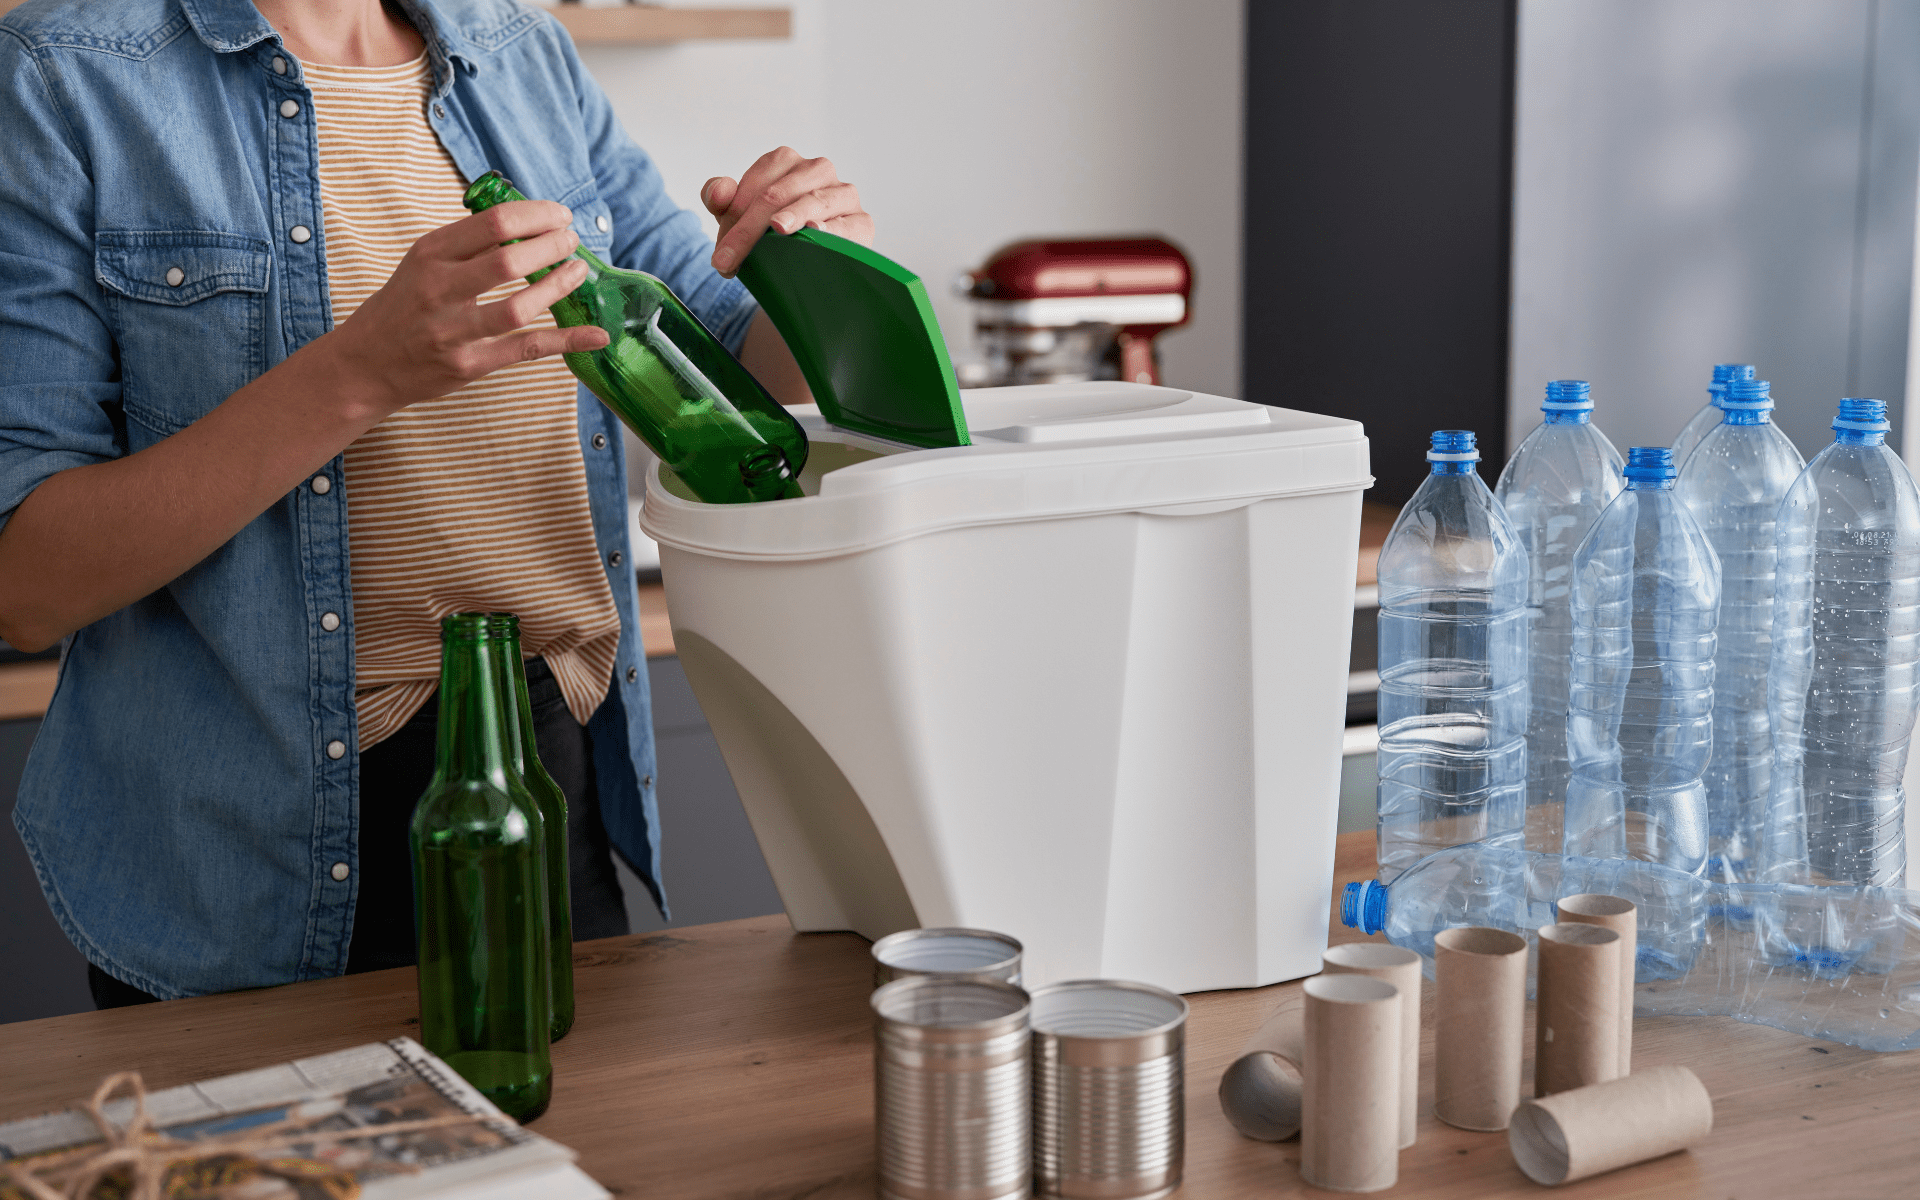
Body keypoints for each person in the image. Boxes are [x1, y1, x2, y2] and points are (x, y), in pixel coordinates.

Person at [0, 0, 872, 1005]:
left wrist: (814, 273)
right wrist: (359, 372)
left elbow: (738, 355)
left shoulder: (517, 47)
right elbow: (25, 577)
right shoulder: (62, 73)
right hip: (244, 851)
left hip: (548, 773)